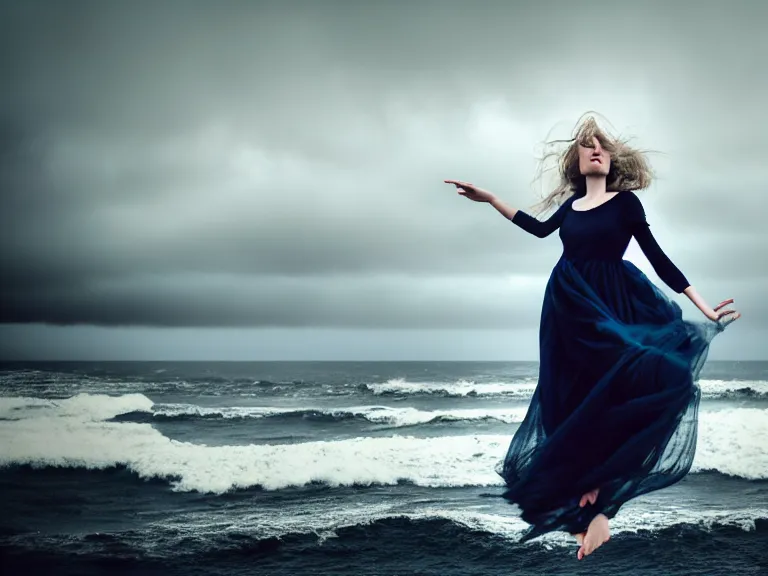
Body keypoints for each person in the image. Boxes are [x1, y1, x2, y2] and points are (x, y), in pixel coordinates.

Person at [444, 115, 740, 560]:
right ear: (577, 160)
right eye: (587, 146)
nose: (595, 150)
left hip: (614, 303)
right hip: (568, 309)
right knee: (573, 404)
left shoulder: (625, 204)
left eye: (602, 145)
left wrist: (703, 306)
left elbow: (657, 256)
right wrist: (490, 200)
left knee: (662, 378)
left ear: (612, 157)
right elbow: (537, 228)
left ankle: (602, 501)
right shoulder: (571, 206)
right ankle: (588, 512)